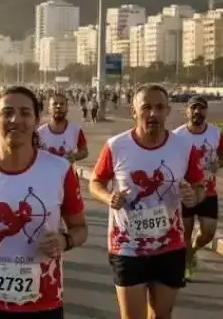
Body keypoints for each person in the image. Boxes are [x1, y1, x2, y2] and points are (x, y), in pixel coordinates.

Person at [0, 86, 88, 319]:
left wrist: (65, 240)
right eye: (7, 113)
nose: (16, 120)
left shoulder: (60, 170)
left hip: (42, 300)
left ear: (36, 121)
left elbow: (80, 228)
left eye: (25, 113)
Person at [90, 84, 205, 319]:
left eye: (160, 107)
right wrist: (108, 197)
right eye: (146, 107)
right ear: (134, 111)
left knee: (161, 315)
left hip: (170, 246)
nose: (153, 113)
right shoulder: (116, 146)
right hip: (128, 246)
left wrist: (194, 196)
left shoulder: (183, 147)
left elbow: (199, 186)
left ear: (168, 111)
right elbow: (95, 183)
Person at [173, 95, 223, 281]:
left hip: (208, 191)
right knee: (185, 233)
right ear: (187, 111)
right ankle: (186, 266)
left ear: (206, 111)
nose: (197, 112)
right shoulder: (177, 136)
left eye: (201, 108)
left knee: (208, 233)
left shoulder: (216, 133)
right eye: (193, 108)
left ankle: (193, 251)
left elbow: (222, 156)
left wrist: (219, 163)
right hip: (186, 192)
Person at [36, 93, 88, 163]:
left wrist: (74, 156)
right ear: (49, 109)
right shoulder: (39, 133)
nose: (58, 106)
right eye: (55, 104)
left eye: (62, 104)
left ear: (67, 108)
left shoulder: (76, 130)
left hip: (68, 170)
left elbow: (84, 152)